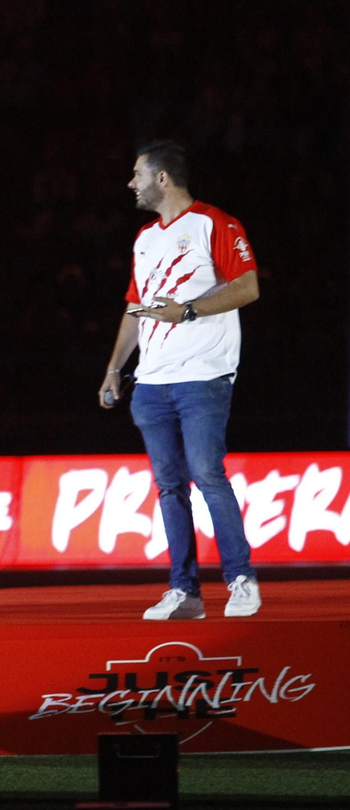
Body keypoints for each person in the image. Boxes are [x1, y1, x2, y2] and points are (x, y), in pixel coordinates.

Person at [99, 141, 261, 620]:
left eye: (137, 175)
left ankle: (241, 580)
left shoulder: (216, 223)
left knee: (208, 474)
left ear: (162, 178)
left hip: (203, 376)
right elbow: (135, 306)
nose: (131, 184)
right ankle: (184, 592)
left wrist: (188, 310)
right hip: (150, 383)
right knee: (169, 486)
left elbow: (248, 288)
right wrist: (114, 368)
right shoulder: (145, 238)